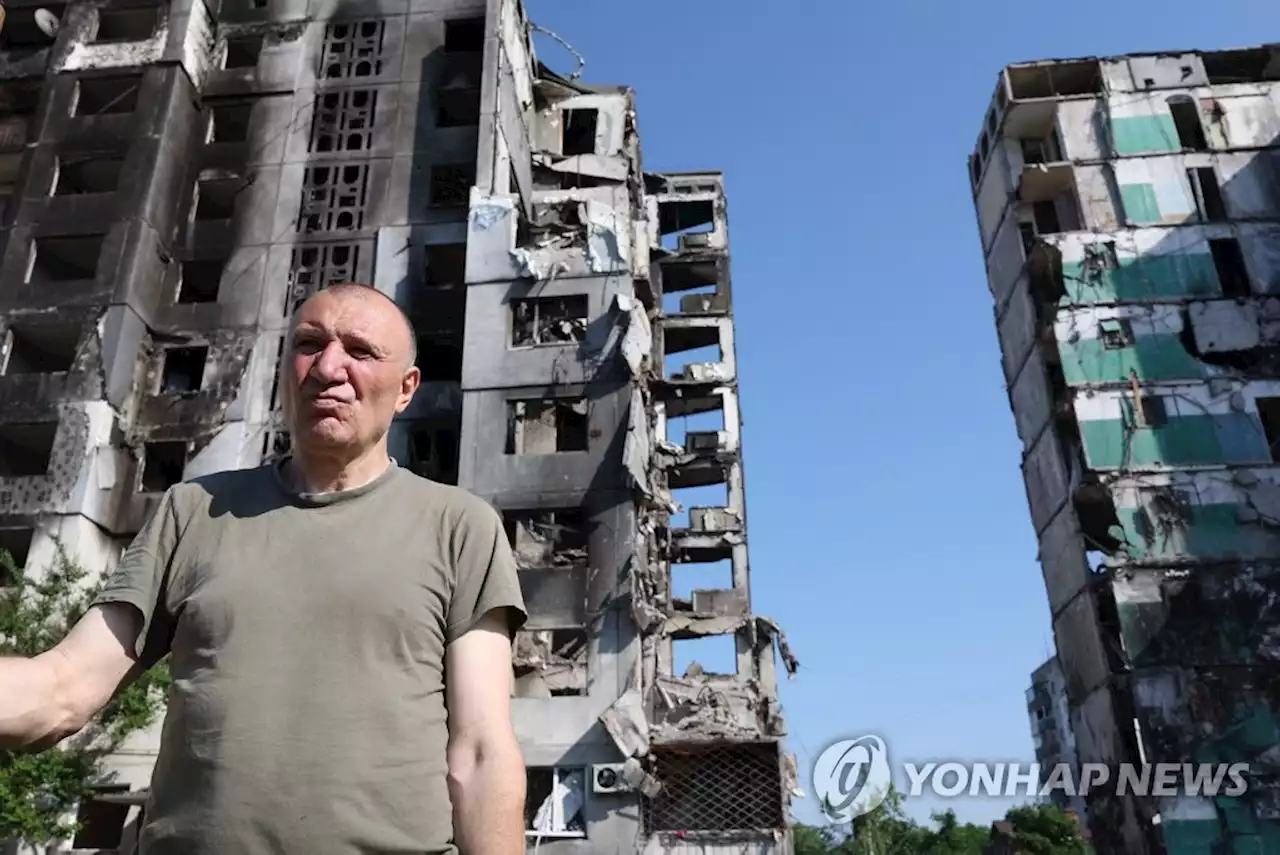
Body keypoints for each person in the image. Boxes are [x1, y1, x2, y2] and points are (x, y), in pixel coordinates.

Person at [0, 282, 528, 854]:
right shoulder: (191, 511)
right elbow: (65, 688)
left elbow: (480, 753)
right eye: (308, 344)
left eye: (360, 351)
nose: (328, 367)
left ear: (406, 390)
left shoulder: (459, 526)